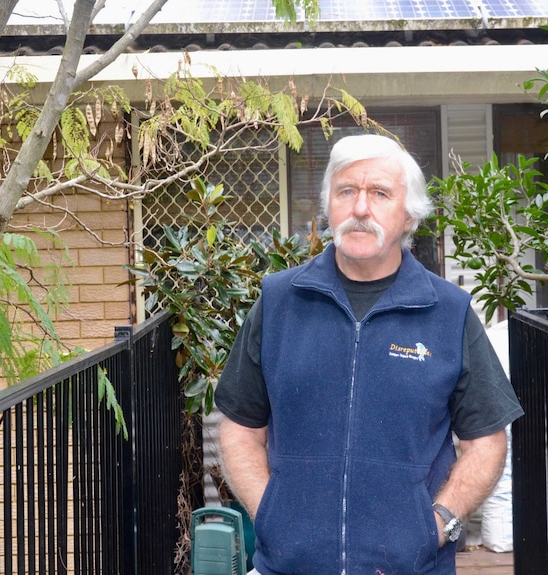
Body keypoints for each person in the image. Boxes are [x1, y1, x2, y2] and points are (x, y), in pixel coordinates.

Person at [214, 134, 523, 575]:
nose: (361, 208)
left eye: (379, 193)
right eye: (346, 192)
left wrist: (437, 523)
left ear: (409, 215)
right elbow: (241, 426)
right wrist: (272, 514)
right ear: (329, 206)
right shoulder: (280, 300)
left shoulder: (448, 312)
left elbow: (487, 441)